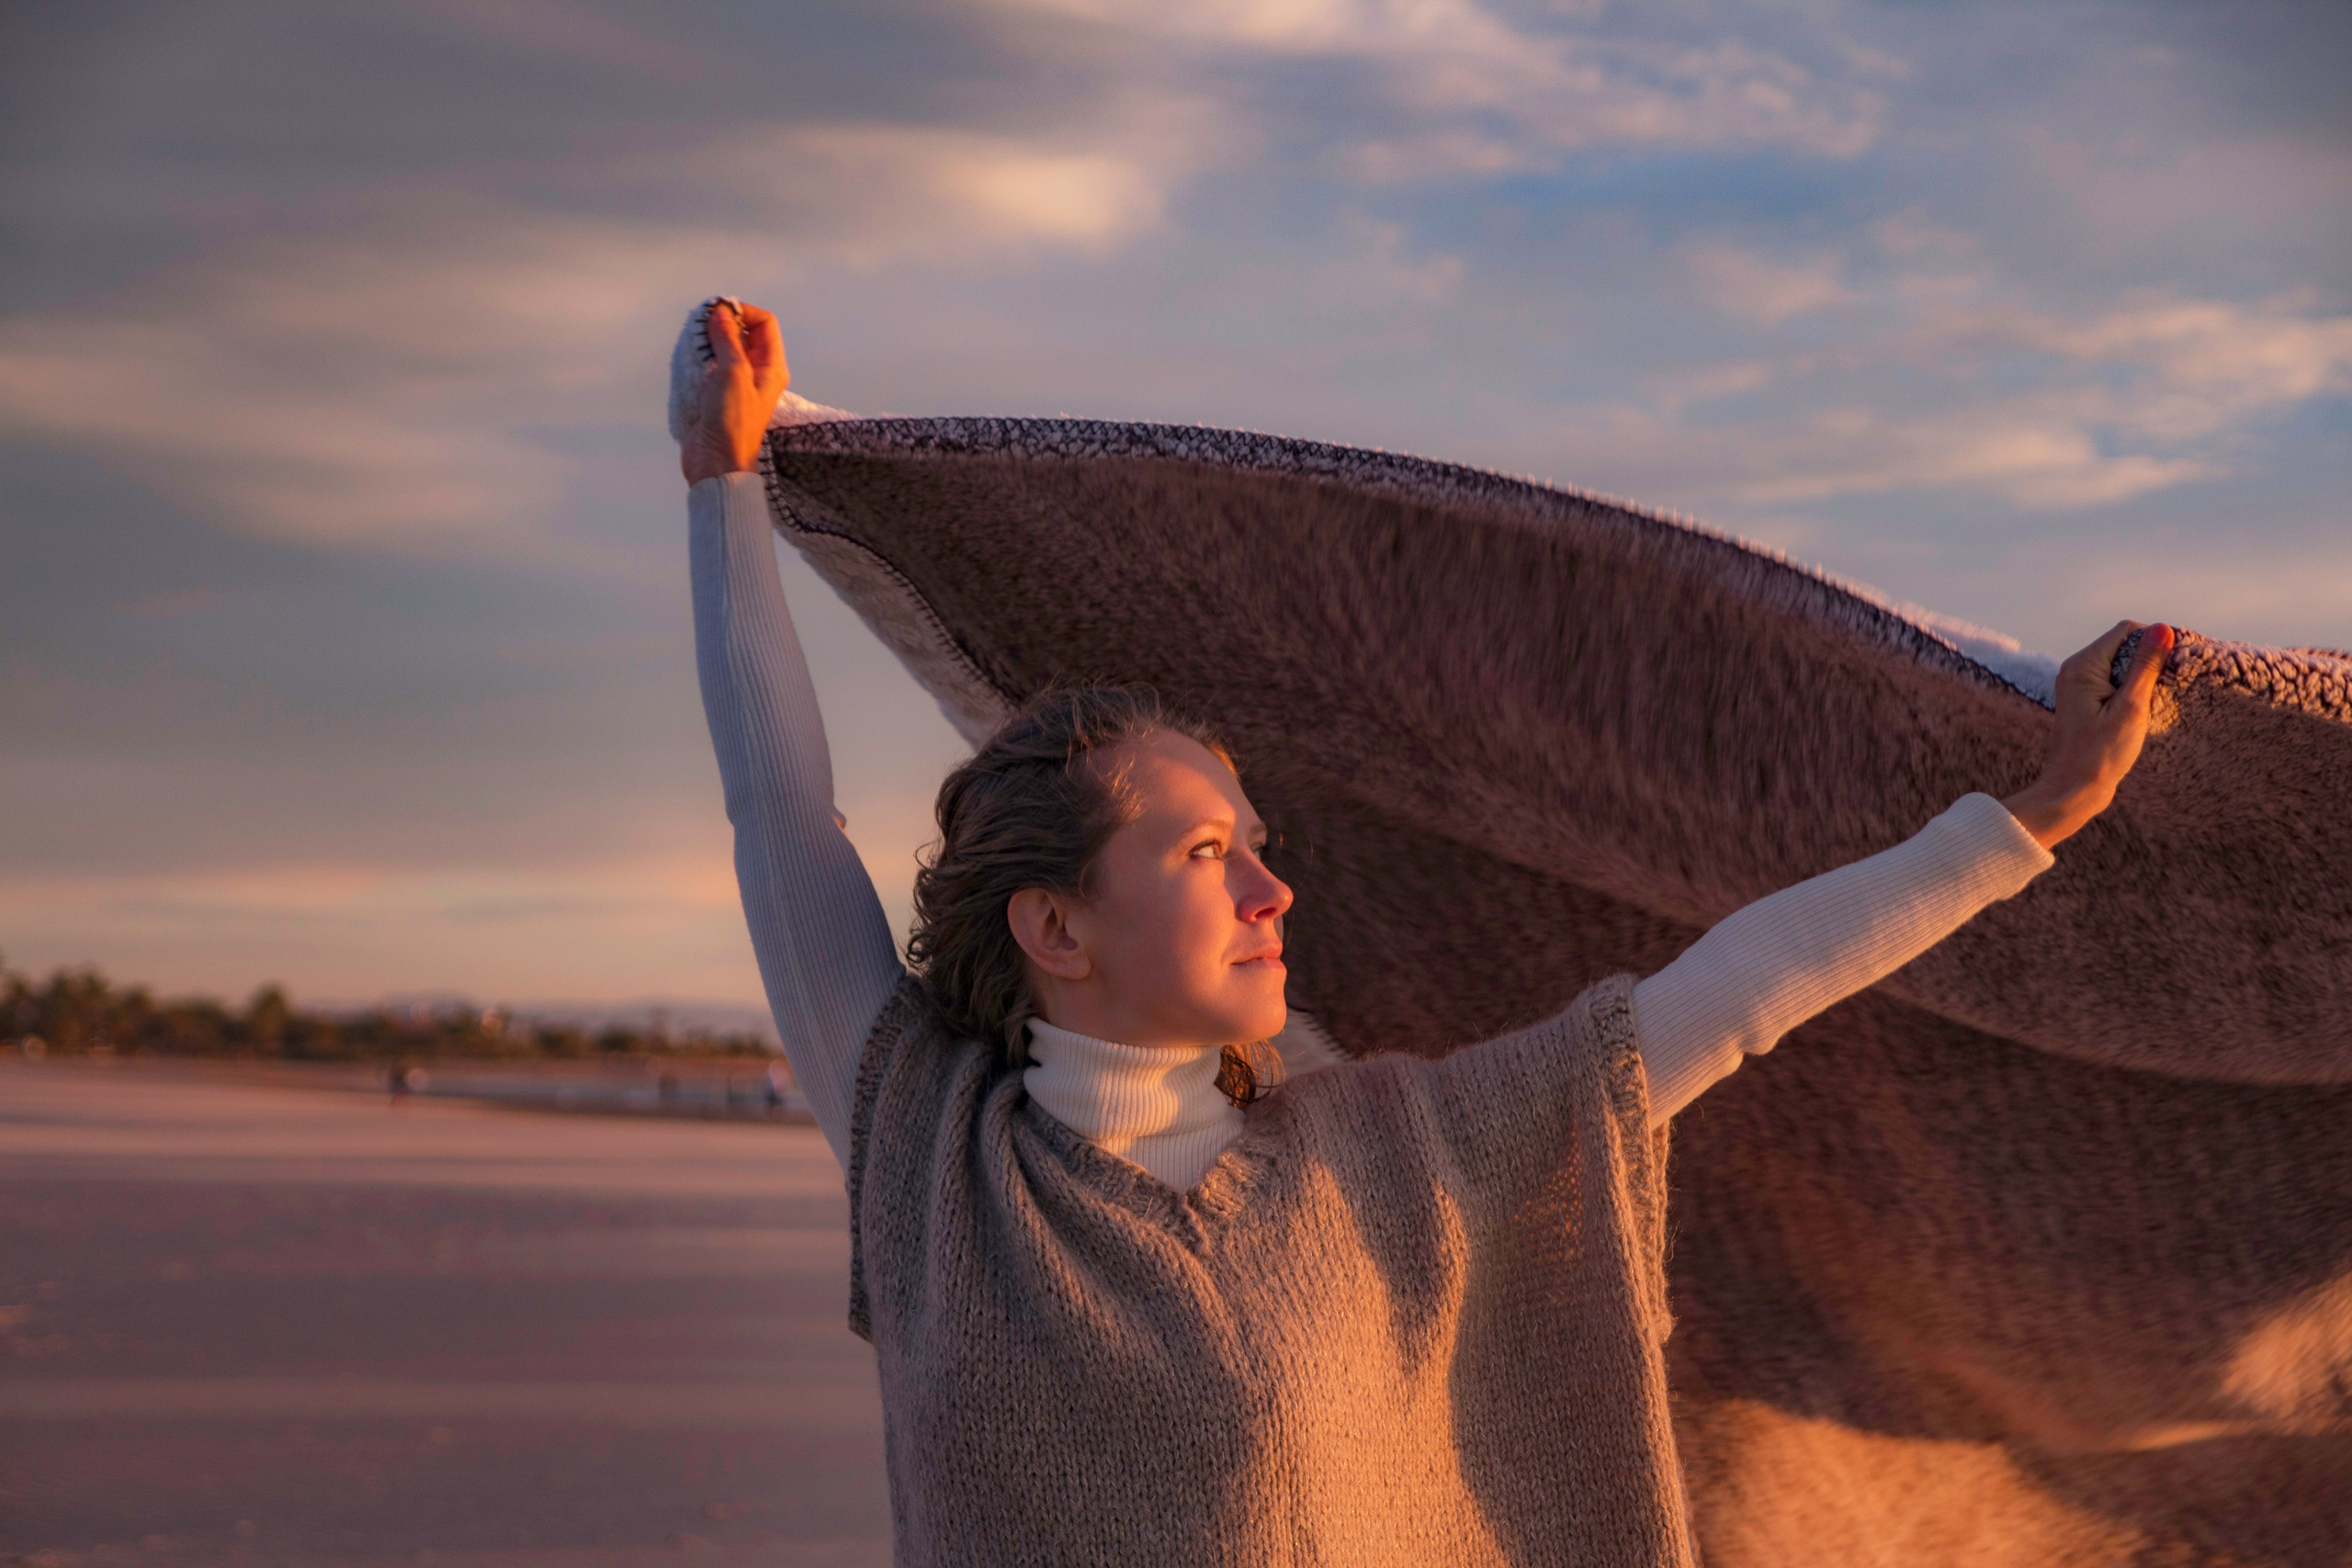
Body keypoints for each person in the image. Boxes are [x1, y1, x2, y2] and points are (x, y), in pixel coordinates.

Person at [676, 299, 2172, 1564]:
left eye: (1261, 850)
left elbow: (1738, 989)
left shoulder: (1391, 1159)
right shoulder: (929, 1157)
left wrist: (2033, 814)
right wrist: (721, 493)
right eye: (1208, 855)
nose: (1274, 895)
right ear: (1055, 926)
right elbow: (782, 818)